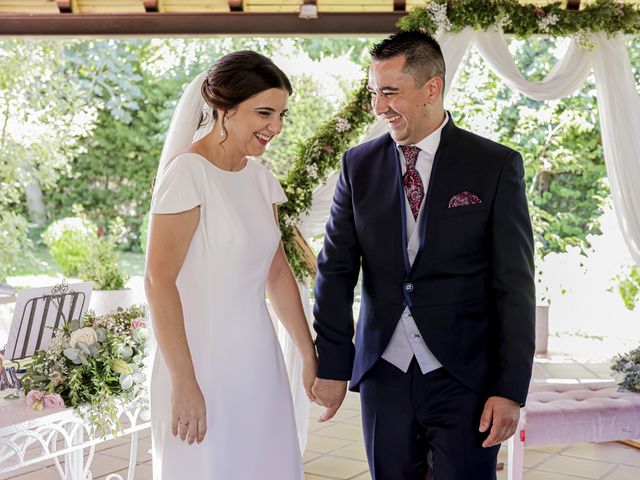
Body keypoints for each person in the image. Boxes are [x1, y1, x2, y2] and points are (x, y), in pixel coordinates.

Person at [312, 31, 535, 479]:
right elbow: (334, 272)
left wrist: (509, 389)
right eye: (375, 93)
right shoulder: (358, 166)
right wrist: (334, 366)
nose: (379, 107)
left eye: (390, 92)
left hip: (466, 377)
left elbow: (514, 285)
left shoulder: (493, 165)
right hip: (384, 374)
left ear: (432, 88)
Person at [144, 50, 316, 480]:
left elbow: (277, 273)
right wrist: (184, 380)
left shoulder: (261, 180)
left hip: (259, 357)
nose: (274, 127)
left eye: (281, 115)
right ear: (224, 108)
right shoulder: (187, 173)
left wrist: (307, 351)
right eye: (264, 112)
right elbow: (158, 280)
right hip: (201, 361)